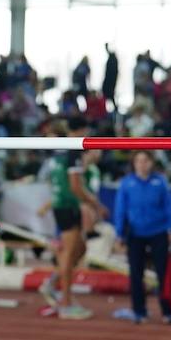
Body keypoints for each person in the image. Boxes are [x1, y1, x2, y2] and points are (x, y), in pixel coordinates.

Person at [39, 121, 106, 320]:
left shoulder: (59, 154)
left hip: (66, 205)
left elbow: (62, 182)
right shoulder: (72, 152)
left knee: (80, 249)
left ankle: (53, 284)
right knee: (68, 254)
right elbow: (76, 187)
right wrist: (96, 205)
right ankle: (65, 303)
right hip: (68, 206)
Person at [113, 151, 171, 325]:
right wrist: (119, 234)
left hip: (158, 232)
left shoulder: (160, 181)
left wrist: (170, 229)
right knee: (135, 274)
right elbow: (120, 210)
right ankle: (139, 311)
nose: (142, 164)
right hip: (135, 234)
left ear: (151, 162)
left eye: (145, 160)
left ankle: (167, 311)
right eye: (138, 161)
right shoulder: (127, 183)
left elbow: (168, 206)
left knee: (163, 273)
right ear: (133, 163)